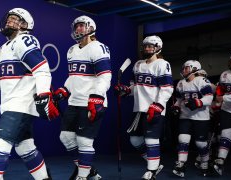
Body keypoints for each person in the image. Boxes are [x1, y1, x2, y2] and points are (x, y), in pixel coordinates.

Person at [0, 8, 58, 180]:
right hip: (13, 104)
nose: (9, 21)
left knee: (0, 144)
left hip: (21, 104)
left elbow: (42, 69)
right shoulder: (4, 49)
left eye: (15, 19)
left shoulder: (24, 40)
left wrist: (44, 94)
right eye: (9, 18)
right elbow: (9, 79)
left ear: (25, 25)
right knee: (25, 148)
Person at [53, 15, 111, 180]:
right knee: (66, 137)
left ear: (91, 28)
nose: (78, 29)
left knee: (84, 141)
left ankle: (83, 176)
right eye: (76, 26)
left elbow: (105, 76)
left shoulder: (98, 47)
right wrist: (64, 89)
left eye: (81, 26)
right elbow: (73, 77)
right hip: (74, 102)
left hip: (92, 101)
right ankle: (88, 169)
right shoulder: (71, 50)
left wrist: (97, 97)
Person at [115, 35, 173, 180]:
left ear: (158, 48)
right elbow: (137, 87)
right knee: (135, 141)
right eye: (145, 46)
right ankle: (154, 162)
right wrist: (126, 90)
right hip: (139, 109)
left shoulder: (162, 64)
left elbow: (167, 88)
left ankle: (151, 171)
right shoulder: (138, 64)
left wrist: (158, 105)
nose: (147, 48)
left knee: (151, 139)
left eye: (150, 46)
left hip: (154, 108)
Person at [171, 60, 213, 177]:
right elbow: (179, 100)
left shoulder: (201, 80)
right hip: (185, 116)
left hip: (201, 117)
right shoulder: (180, 83)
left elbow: (209, 98)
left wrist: (197, 102)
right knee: (182, 139)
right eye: (183, 68)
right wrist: (175, 106)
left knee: (200, 143)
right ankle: (181, 163)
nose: (184, 70)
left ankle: (205, 161)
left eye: (187, 68)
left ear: (195, 69)